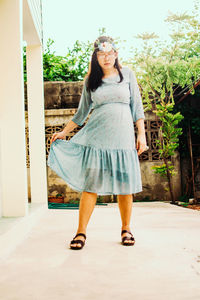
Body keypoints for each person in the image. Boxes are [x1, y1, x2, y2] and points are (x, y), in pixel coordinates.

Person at [47, 35, 148, 250]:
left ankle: (126, 229)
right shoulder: (91, 80)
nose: (106, 57)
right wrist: (65, 132)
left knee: (125, 187)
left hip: (122, 141)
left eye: (110, 53)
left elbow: (137, 109)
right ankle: (80, 232)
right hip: (97, 140)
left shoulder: (127, 74)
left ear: (116, 54)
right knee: (90, 186)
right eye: (101, 54)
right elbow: (82, 113)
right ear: (96, 56)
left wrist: (141, 135)